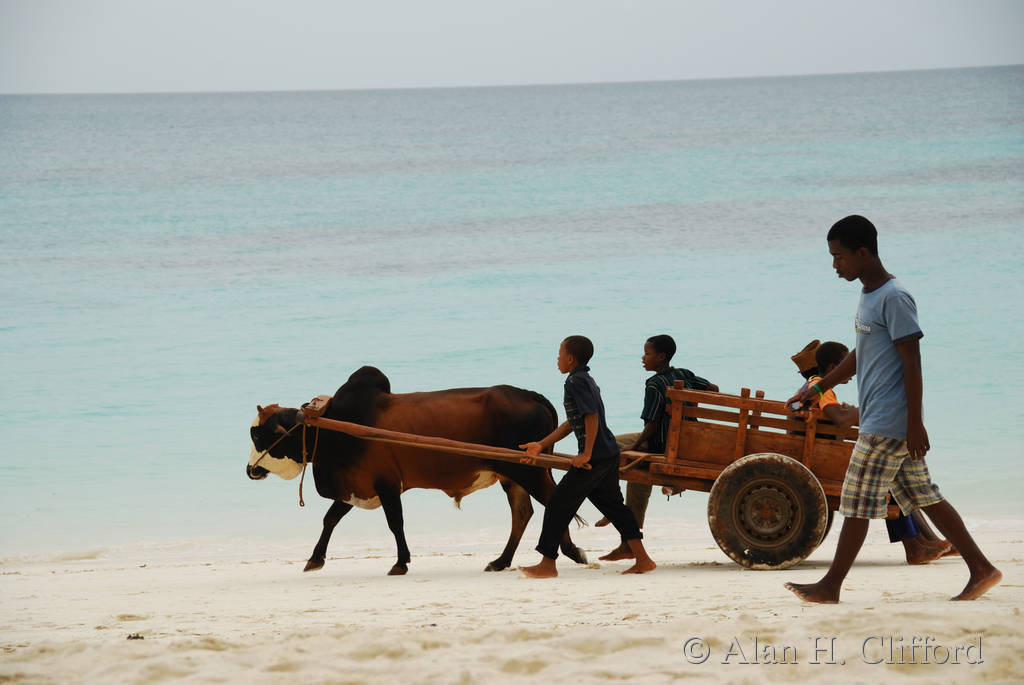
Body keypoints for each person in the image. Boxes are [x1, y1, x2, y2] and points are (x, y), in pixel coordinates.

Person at [784, 215, 1001, 603]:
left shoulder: (895, 297)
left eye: (839, 256)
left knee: (855, 502)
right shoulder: (868, 294)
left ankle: (830, 586)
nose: (834, 265)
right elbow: (860, 354)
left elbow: (912, 361)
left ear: (862, 252)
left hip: (889, 423)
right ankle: (982, 569)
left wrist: (915, 423)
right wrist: (818, 386)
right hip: (883, 419)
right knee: (925, 496)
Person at [800, 340, 950, 564]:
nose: (853, 372)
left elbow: (840, 416)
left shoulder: (816, 385)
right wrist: (873, 412)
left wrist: (855, 412)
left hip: (824, 453)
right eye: (846, 365)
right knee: (890, 480)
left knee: (895, 477)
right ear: (832, 368)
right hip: (825, 459)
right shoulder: (822, 387)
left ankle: (926, 541)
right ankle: (915, 546)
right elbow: (841, 418)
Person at [518, 335, 657, 578]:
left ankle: (547, 563)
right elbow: (573, 422)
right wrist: (541, 445)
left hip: (597, 457)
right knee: (614, 507)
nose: (557, 359)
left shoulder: (576, 382)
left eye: (560, 354)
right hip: (608, 453)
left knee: (557, 504)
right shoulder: (584, 379)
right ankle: (643, 559)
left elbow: (591, 416)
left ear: (570, 359)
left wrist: (586, 454)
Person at [596, 334, 718, 561]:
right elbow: (714, 388)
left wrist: (634, 446)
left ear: (661, 356)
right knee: (638, 477)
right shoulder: (684, 374)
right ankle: (628, 541)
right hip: (687, 442)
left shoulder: (654, 384)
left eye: (647, 353)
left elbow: (651, 425)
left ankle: (613, 508)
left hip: (662, 443)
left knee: (604, 447)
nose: (643, 358)